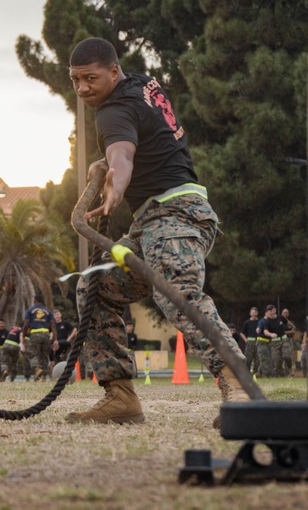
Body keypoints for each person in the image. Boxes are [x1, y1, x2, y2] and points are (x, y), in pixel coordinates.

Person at [66, 37, 248, 427]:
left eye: (90, 78)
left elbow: (123, 153)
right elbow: (139, 140)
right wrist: (113, 168)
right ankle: (120, 396)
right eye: (75, 80)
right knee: (96, 287)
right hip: (151, 221)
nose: (82, 89)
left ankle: (238, 384)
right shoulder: (141, 84)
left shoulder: (112, 112)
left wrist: (116, 180)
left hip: (178, 213)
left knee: (177, 292)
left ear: (113, 71)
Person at [21, 299, 55, 381]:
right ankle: (43, 377)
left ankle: (37, 369)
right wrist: (55, 339)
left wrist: (24, 336)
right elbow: (53, 326)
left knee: (31, 353)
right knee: (44, 355)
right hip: (46, 334)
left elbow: (26, 325)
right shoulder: (48, 311)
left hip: (35, 333)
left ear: (35, 301)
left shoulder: (30, 310)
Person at [273, 308, 296, 378]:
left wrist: (293, 327)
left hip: (288, 340)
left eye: (286, 313)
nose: (285, 314)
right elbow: (280, 332)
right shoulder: (278, 320)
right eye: (284, 313)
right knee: (279, 358)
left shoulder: (285, 321)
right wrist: (289, 332)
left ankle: (288, 371)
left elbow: (291, 325)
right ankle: (281, 373)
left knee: (288, 356)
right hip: (280, 340)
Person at [255, 306, 275, 378]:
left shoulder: (270, 322)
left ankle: (258, 374)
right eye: (271, 312)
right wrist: (258, 330)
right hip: (261, 342)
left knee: (267, 359)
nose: (272, 314)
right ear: (266, 312)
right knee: (264, 359)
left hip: (268, 343)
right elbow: (258, 328)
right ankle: (264, 375)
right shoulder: (262, 321)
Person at [240, 307, 260, 375]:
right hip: (250, 342)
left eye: (255, 312)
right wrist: (246, 340)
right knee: (248, 358)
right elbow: (242, 333)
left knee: (257, 359)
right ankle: (246, 373)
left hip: (258, 341)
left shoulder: (259, 322)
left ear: (257, 313)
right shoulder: (247, 322)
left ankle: (255, 373)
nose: (254, 314)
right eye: (252, 312)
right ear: (250, 313)